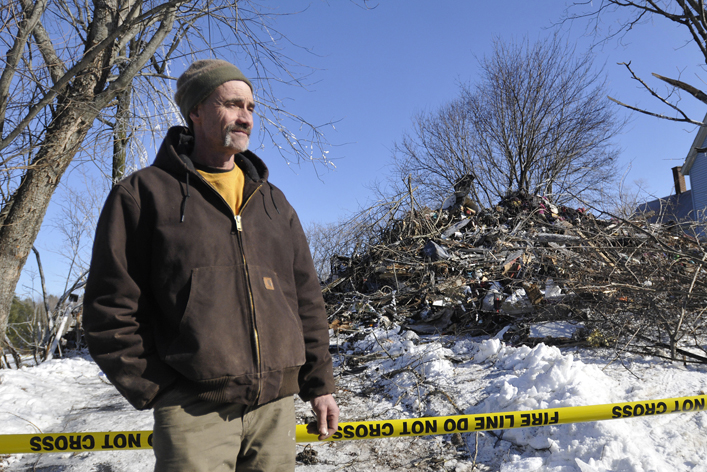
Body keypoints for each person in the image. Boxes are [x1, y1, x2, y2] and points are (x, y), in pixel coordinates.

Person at [83, 59, 338, 472]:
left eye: (251, 107)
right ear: (196, 111)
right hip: (193, 411)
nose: (245, 117)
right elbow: (108, 308)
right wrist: (160, 389)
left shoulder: (273, 201)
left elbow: (305, 300)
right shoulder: (143, 195)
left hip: (274, 409)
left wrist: (319, 384)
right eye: (233, 104)